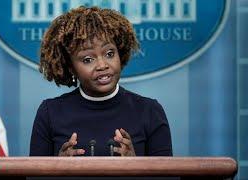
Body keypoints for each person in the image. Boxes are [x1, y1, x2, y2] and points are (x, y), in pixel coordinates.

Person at [29, 6, 172, 156]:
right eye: (88, 59)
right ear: (71, 67)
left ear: (120, 53)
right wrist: (57, 168)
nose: (102, 65)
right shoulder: (50, 113)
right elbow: (33, 177)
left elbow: (168, 176)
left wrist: (136, 166)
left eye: (109, 53)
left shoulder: (149, 111)